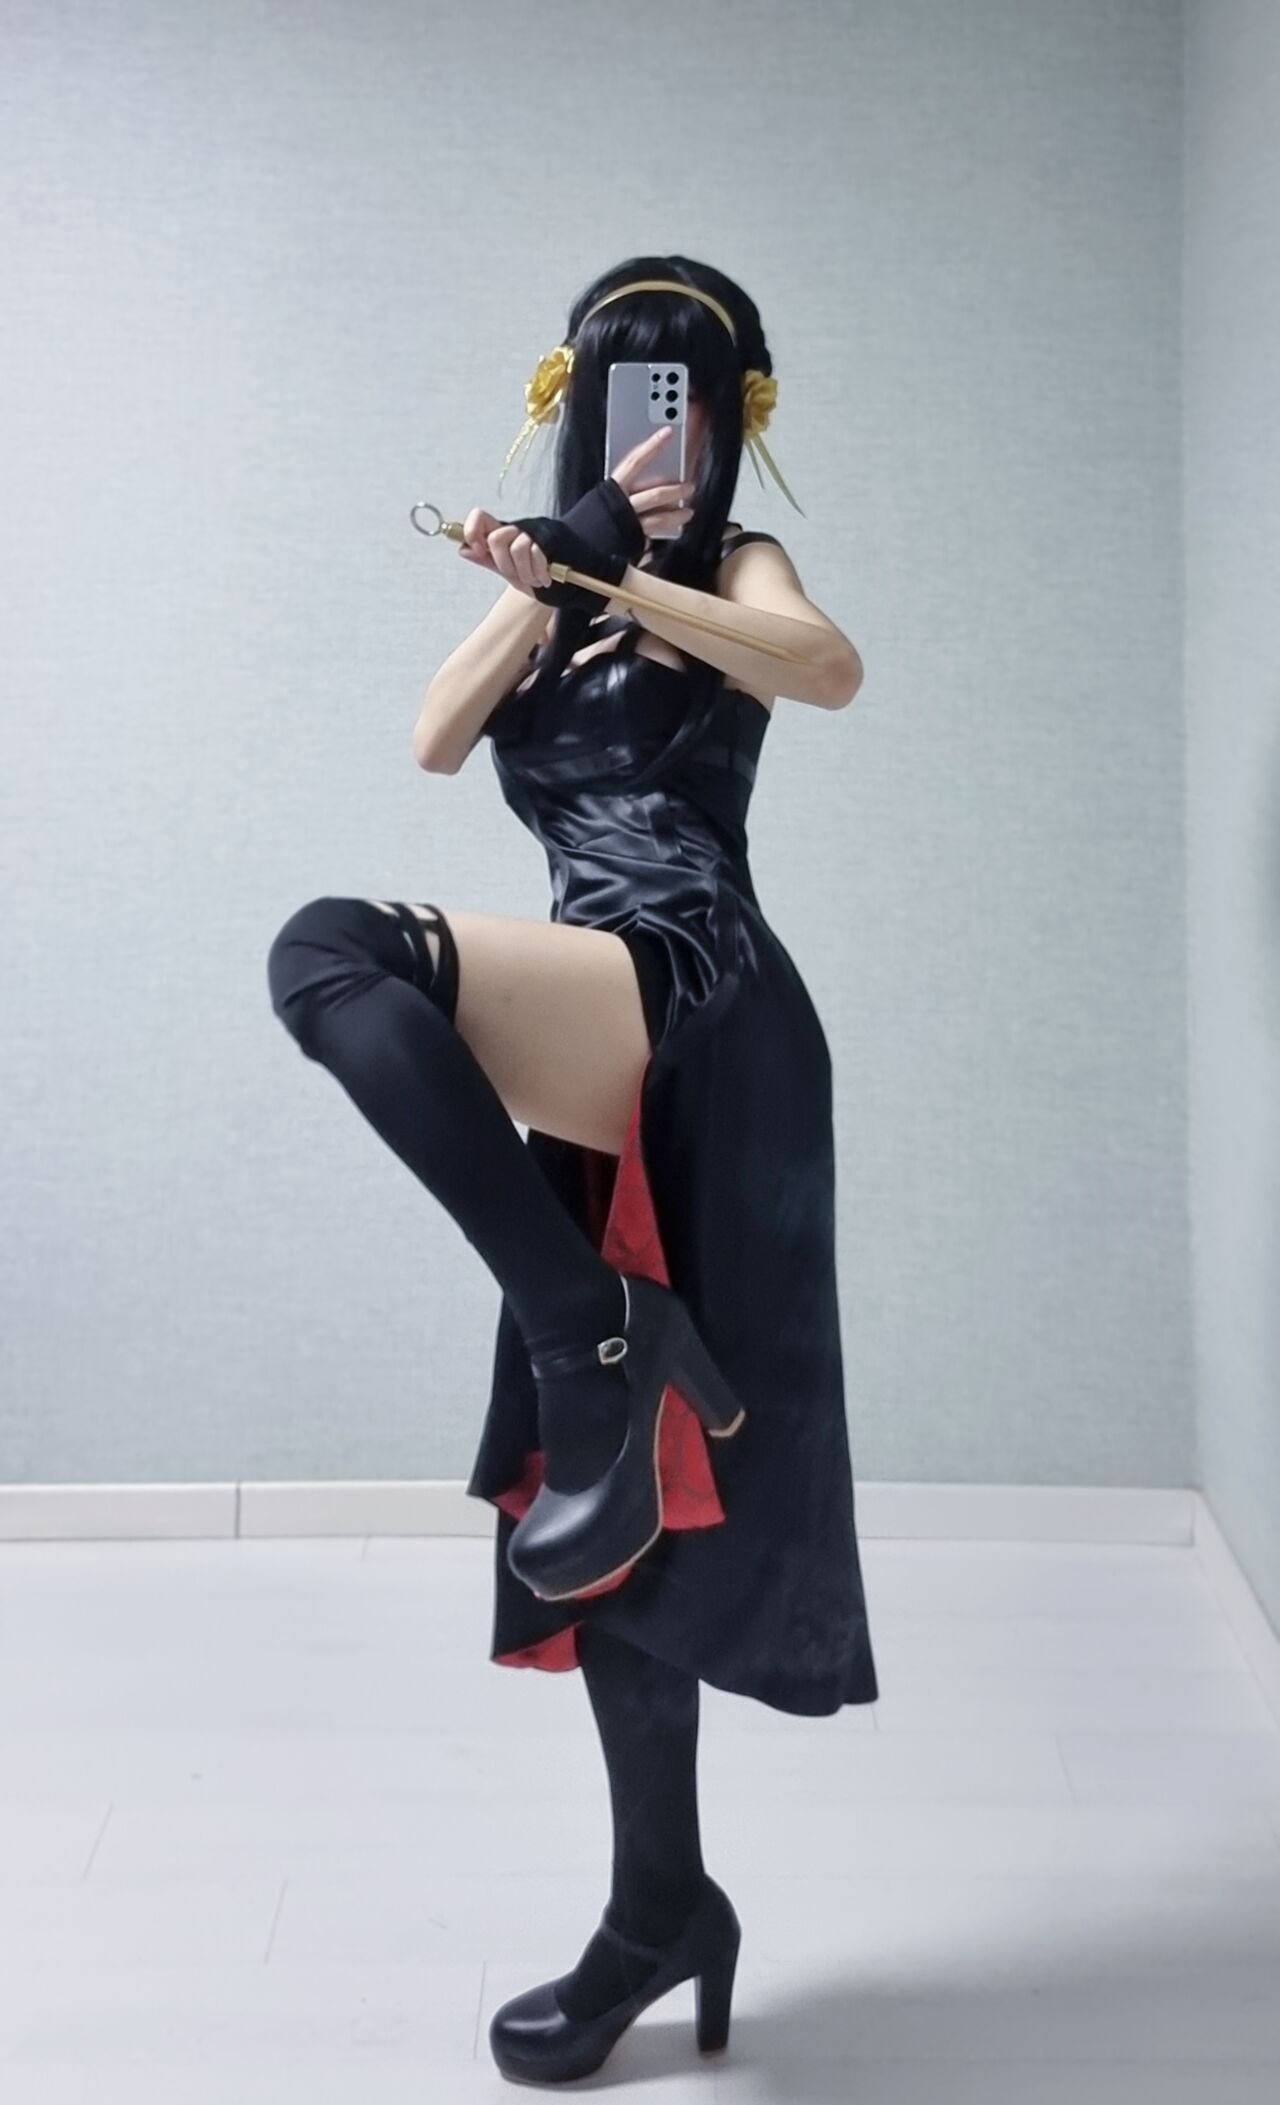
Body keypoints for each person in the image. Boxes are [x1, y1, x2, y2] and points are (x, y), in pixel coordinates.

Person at [266, 255, 878, 2084]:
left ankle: (592, 1325)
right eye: (620, 388)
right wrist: (560, 560)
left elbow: (829, 670)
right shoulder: (556, 568)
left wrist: (628, 569)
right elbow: (434, 738)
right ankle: (661, 1903)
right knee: (615, 1505)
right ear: (575, 403)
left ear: (732, 413)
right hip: (594, 999)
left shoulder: (737, 569)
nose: (651, 423)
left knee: (328, 947)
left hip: (702, 991)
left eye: (680, 390)